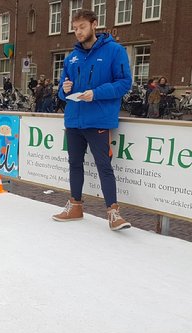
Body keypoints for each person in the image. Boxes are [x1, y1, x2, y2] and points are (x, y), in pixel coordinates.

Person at [54, 9, 132, 231]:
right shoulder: (71, 57)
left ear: (94, 25)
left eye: (82, 27)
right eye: (75, 28)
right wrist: (63, 89)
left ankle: (113, 213)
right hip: (74, 120)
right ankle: (75, 206)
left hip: (99, 119)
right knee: (74, 164)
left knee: (104, 166)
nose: (78, 32)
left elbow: (125, 83)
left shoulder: (114, 51)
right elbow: (61, 90)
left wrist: (96, 93)